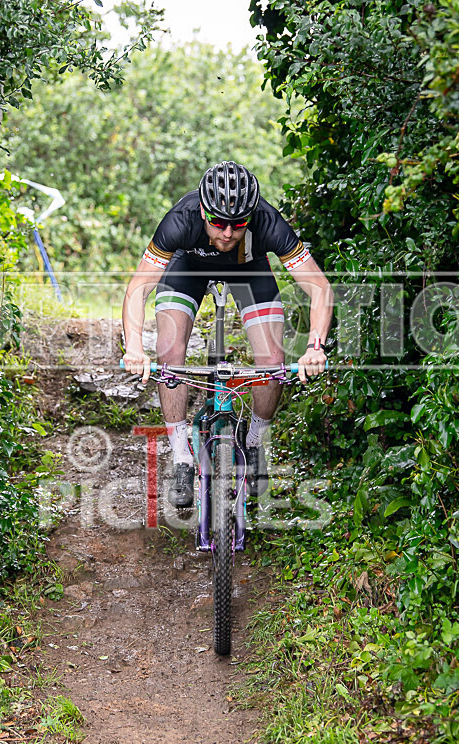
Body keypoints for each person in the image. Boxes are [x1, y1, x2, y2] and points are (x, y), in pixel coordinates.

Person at [122, 161, 333, 508]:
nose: (227, 233)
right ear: (203, 211)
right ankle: (181, 458)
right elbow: (137, 289)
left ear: (252, 217)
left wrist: (315, 347)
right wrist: (133, 347)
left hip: (250, 269)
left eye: (238, 226)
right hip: (187, 268)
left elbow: (319, 288)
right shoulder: (180, 220)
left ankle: (254, 442)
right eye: (219, 223)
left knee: (273, 363)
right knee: (170, 354)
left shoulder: (268, 222)